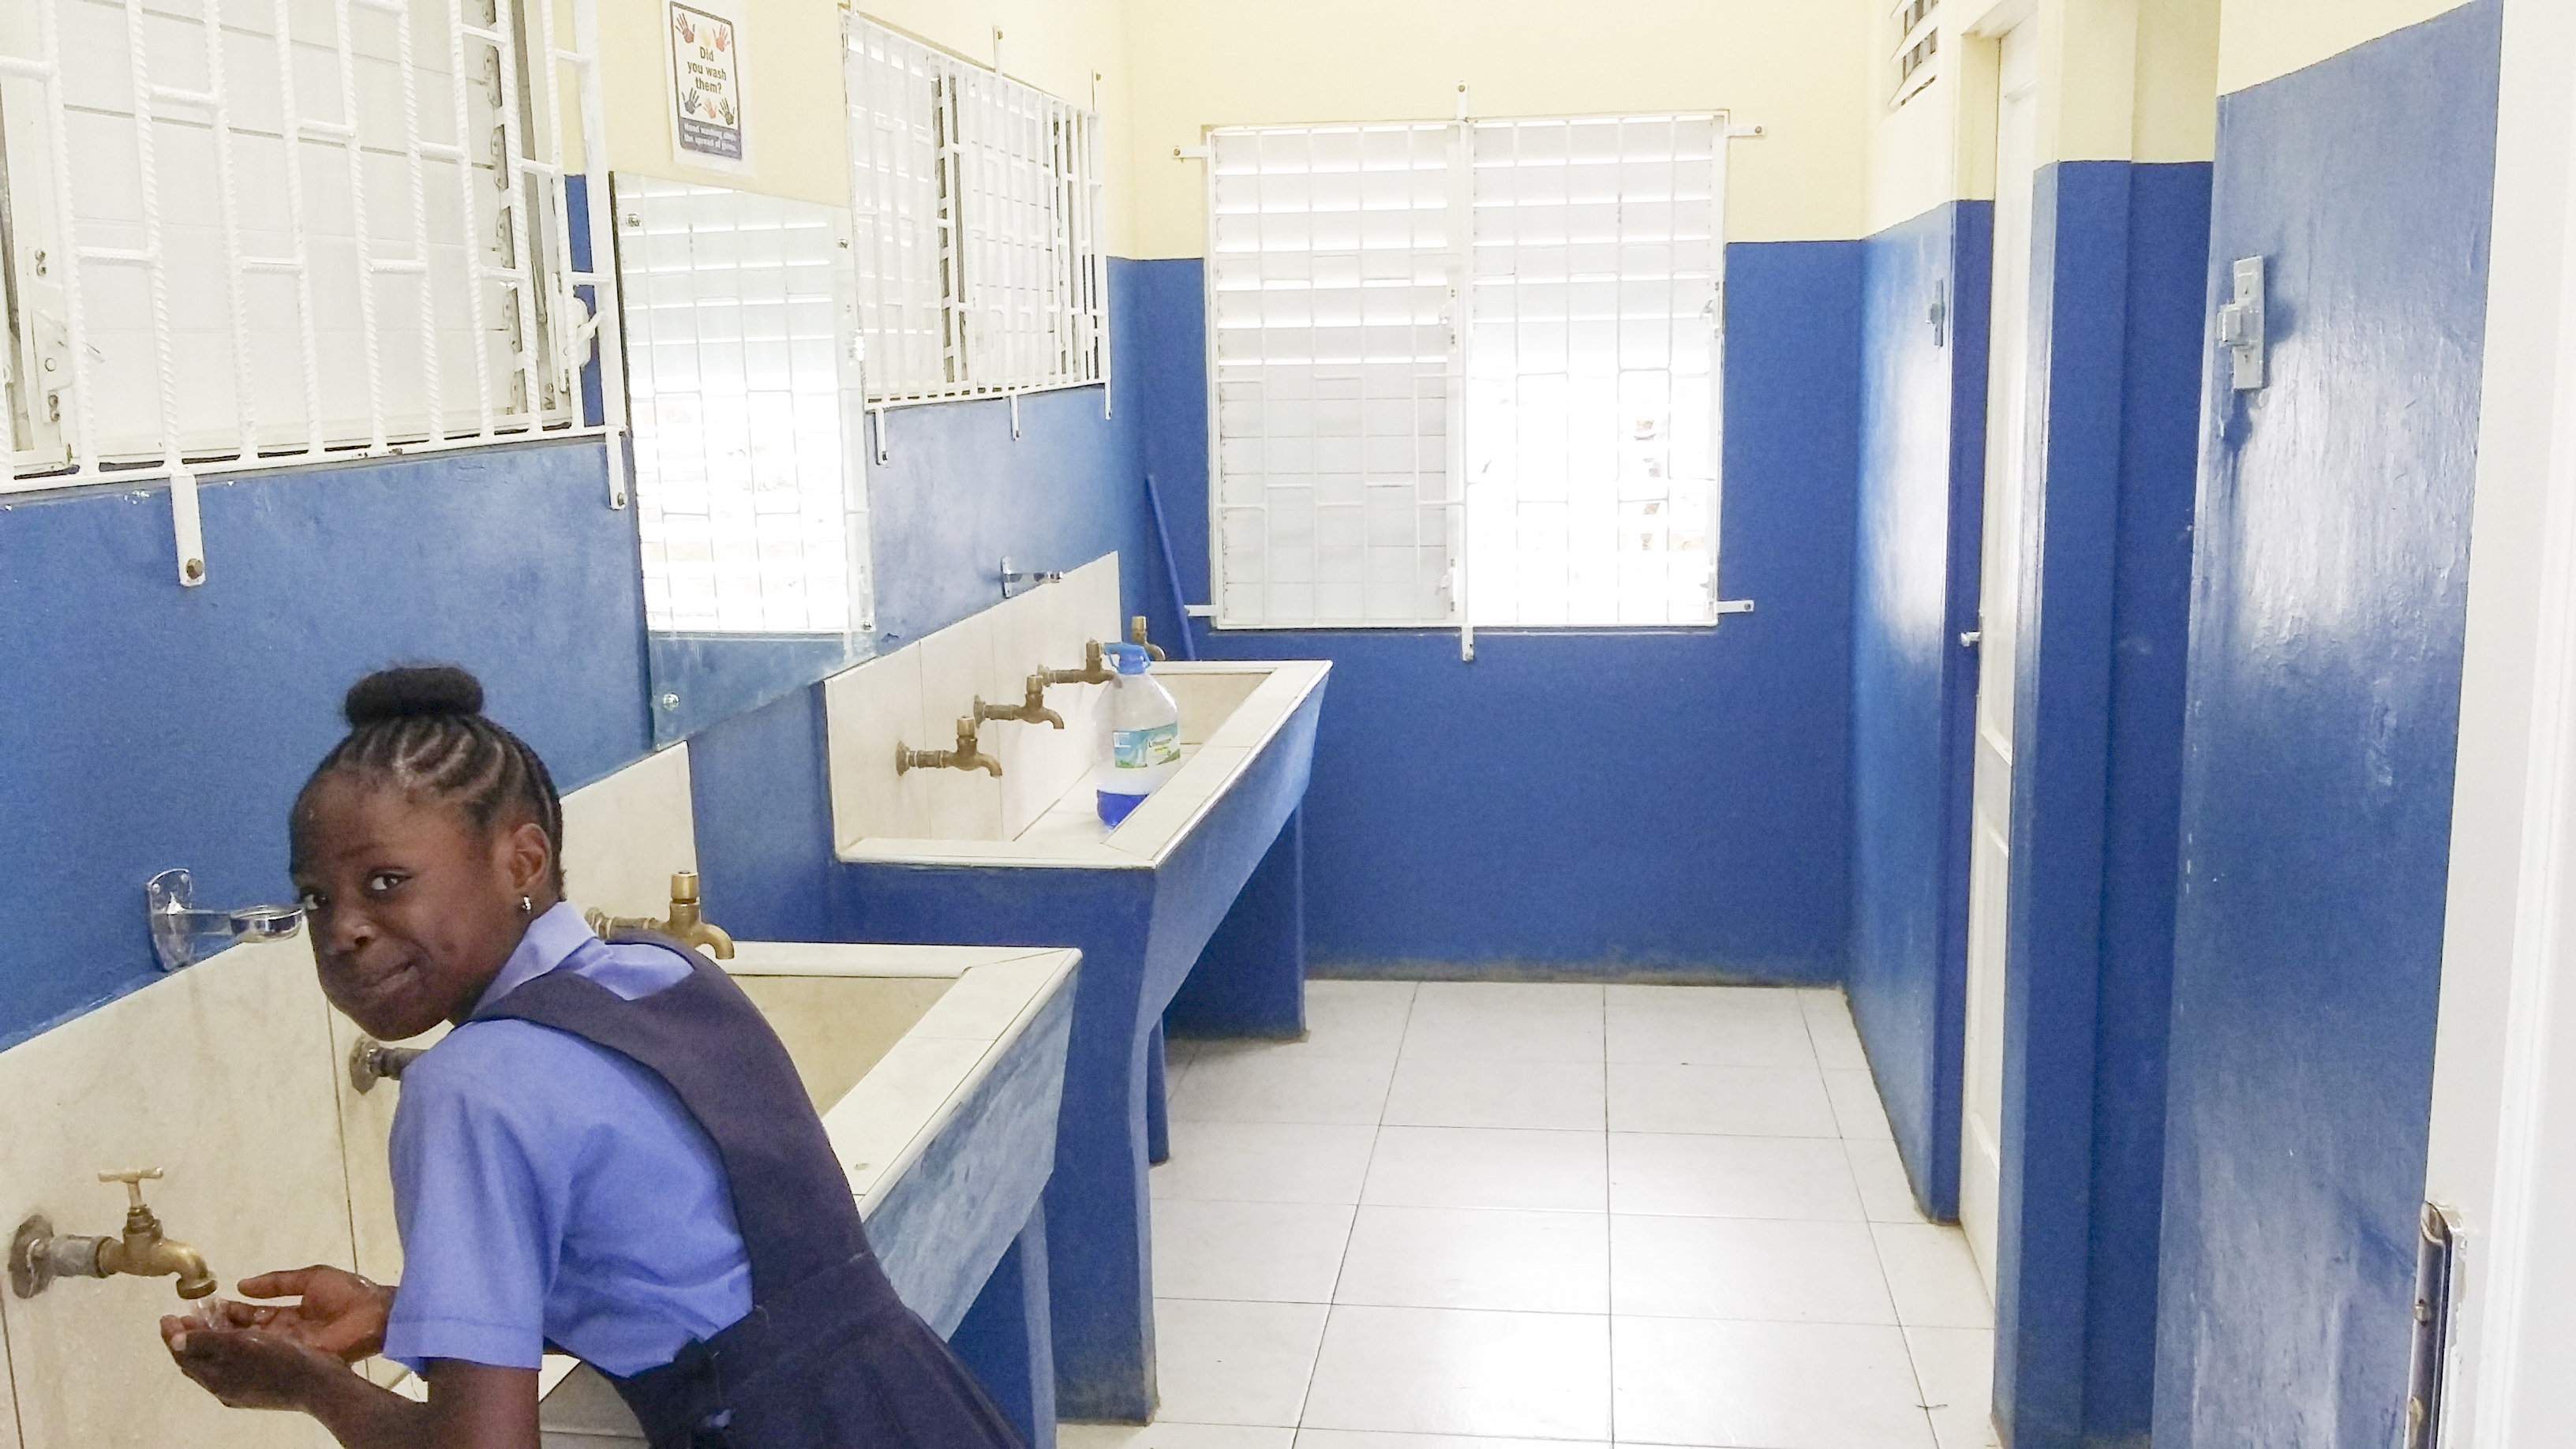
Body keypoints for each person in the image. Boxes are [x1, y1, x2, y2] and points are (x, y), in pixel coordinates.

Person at [161, 665, 1024, 1449]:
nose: (343, 928)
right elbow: (682, 1281)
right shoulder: (666, 974)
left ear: (522, 861)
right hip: (916, 1403)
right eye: (316, 899)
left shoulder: (468, 1087)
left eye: (385, 882)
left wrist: (314, 1388)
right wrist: (404, 1312)